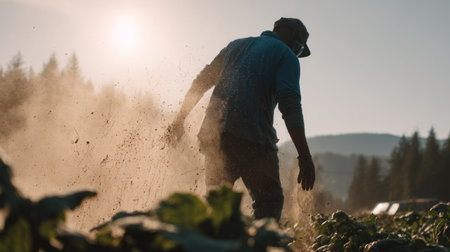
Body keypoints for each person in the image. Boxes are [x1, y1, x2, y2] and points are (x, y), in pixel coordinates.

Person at [167, 17, 315, 221]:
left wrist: (179, 120)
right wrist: (305, 156)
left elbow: (201, 82)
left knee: (216, 205)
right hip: (252, 138)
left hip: (216, 137)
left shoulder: (235, 46)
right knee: (269, 202)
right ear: (291, 37)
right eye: (298, 49)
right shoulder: (285, 55)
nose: (296, 55)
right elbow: (290, 106)